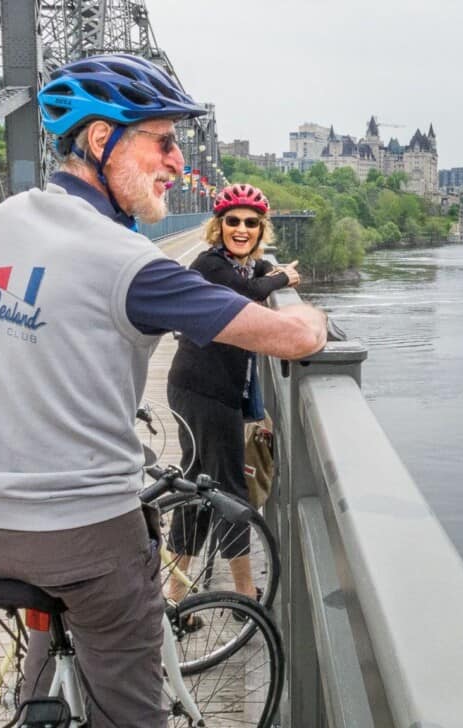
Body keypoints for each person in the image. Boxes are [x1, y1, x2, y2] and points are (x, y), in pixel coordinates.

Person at [0, 54, 326, 728]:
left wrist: (1, 463)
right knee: (129, 698)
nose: (176, 162)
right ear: (103, 139)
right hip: (84, 535)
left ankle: (35, 706)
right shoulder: (128, 262)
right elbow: (286, 339)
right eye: (163, 140)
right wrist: (308, 317)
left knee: (51, 642)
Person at [163, 183, 298, 606]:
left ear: (262, 230)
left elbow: (251, 278)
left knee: (197, 488)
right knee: (229, 490)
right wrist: (282, 277)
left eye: (251, 223)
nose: (242, 229)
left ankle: (174, 591)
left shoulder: (237, 265)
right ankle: (243, 591)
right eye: (233, 221)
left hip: (201, 388)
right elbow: (242, 297)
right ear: (218, 226)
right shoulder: (209, 265)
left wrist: (264, 272)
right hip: (205, 392)